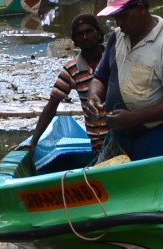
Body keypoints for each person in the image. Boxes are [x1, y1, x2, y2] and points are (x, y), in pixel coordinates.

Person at [98, 0, 163, 159]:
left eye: (123, 16)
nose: (119, 23)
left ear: (140, 8)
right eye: (115, 18)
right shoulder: (118, 36)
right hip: (120, 134)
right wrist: (94, 95)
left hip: (156, 137)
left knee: (152, 185)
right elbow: (101, 76)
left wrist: (134, 118)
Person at [27, 12, 108, 164]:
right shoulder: (71, 69)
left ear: (98, 34)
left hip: (123, 137)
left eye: (89, 32)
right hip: (98, 144)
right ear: (75, 40)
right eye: (80, 34)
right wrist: (33, 142)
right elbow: (51, 107)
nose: (85, 37)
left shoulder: (115, 60)